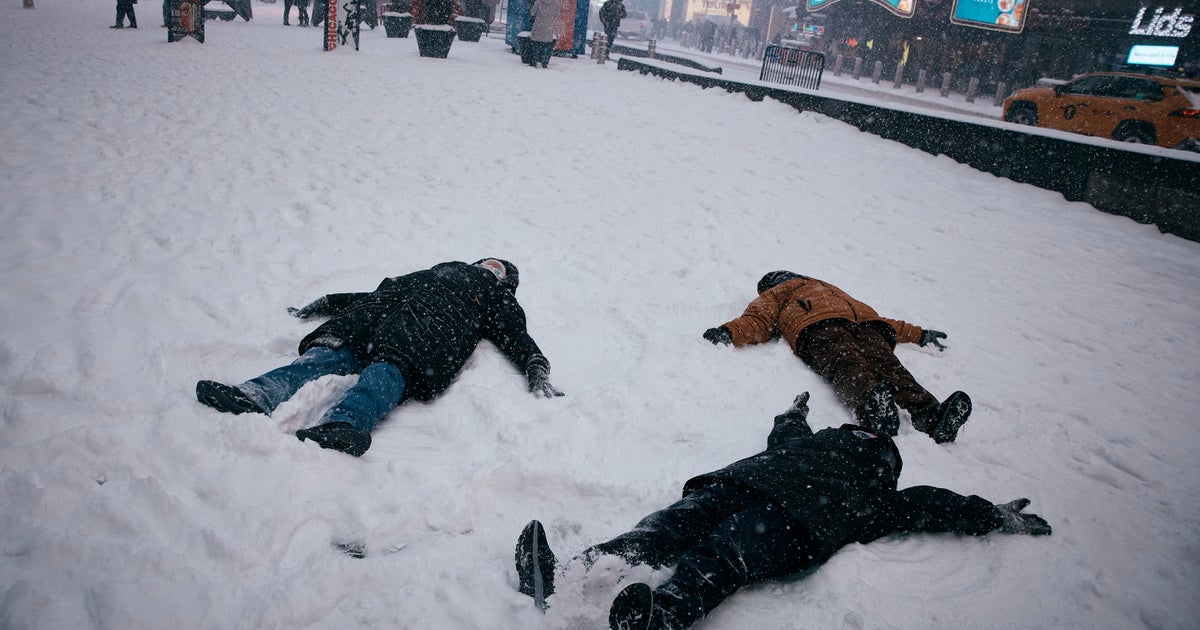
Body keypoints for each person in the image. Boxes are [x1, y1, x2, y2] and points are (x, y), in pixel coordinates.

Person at [515, 392, 1051, 630]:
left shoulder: (878, 496)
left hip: (798, 520)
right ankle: (573, 571)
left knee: (722, 556)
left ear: (882, 462)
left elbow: (932, 504)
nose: (856, 439)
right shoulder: (808, 444)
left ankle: (663, 616)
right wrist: (792, 412)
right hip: (744, 482)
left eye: (868, 442)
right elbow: (787, 434)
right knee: (666, 526)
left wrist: (995, 515)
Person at [195, 259, 564, 457]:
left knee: (387, 373)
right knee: (323, 358)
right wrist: (332, 301)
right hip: (376, 321)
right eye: (490, 262)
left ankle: (346, 424)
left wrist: (535, 364)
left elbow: (516, 335)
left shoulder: (499, 298)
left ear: (505, 281)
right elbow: (386, 290)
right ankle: (255, 394)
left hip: (428, 336)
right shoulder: (443, 268)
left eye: (500, 270)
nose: (491, 268)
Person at [702, 271, 971, 443]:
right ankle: (873, 411)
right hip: (818, 329)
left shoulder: (829, 288)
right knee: (849, 365)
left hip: (866, 327)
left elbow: (880, 319)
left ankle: (931, 416)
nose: (787, 278)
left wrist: (919, 334)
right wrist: (730, 332)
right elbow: (759, 318)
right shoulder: (781, 293)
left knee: (893, 369)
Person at [528, 0, 558, 69]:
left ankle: (534, 62)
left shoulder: (538, 1)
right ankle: (544, 63)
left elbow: (532, 13)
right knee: (546, 45)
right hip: (548, 27)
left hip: (538, 25)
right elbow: (557, 14)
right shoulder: (555, 2)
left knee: (535, 44)